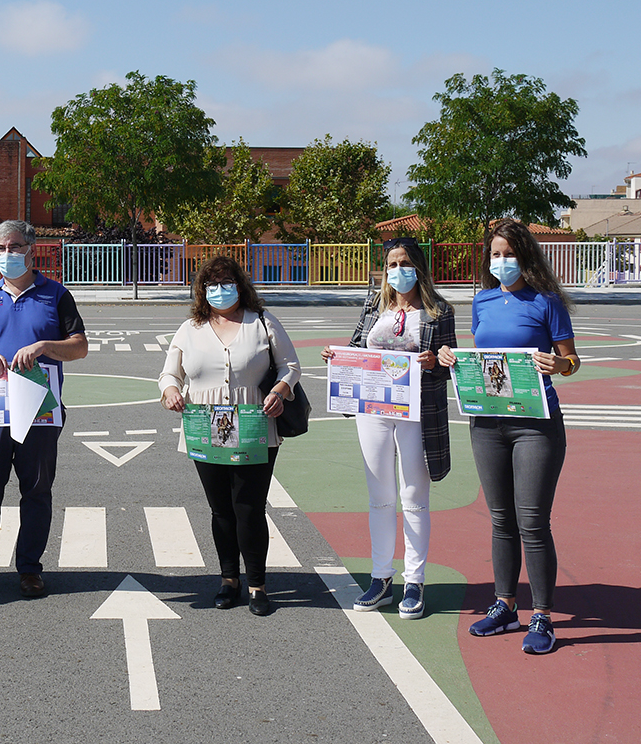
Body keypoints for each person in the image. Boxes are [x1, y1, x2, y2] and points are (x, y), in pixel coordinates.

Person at [438, 219, 578, 655]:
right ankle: (505, 606)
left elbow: (570, 358)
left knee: (532, 522)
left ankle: (543, 616)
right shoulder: (481, 301)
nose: (501, 261)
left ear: (526, 256)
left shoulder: (546, 302)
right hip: (487, 423)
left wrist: (561, 367)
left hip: (536, 425)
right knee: (501, 520)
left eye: (509, 254)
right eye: (495, 254)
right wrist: (451, 358)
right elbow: (483, 357)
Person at [0, 220, 88, 598]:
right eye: (1, 248)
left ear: (31, 247)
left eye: (14, 246)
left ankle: (29, 568)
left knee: (37, 490)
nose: (8, 254)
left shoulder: (56, 295)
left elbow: (79, 346)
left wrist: (44, 347)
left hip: (40, 409)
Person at [321, 237, 456, 620]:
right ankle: (381, 578)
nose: (398, 271)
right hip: (373, 409)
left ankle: (414, 582)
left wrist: (435, 362)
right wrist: (335, 356)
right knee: (380, 496)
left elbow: (451, 363)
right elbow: (355, 348)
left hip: (417, 413)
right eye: (392, 264)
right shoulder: (374, 305)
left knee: (414, 496)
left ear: (419, 267)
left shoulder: (438, 311)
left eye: (406, 263)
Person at [159, 255, 301, 616]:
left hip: (255, 424)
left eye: (226, 283)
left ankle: (257, 585)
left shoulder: (263, 323)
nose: (219, 291)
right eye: (212, 285)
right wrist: (171, 391)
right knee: (220, 509)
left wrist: (280, 390)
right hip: (203, 426)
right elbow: (168, 374)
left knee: (249, 507)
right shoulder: (189, 328)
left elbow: (291, 366)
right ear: (201, 291)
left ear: (240, 285)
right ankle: (228, 581)